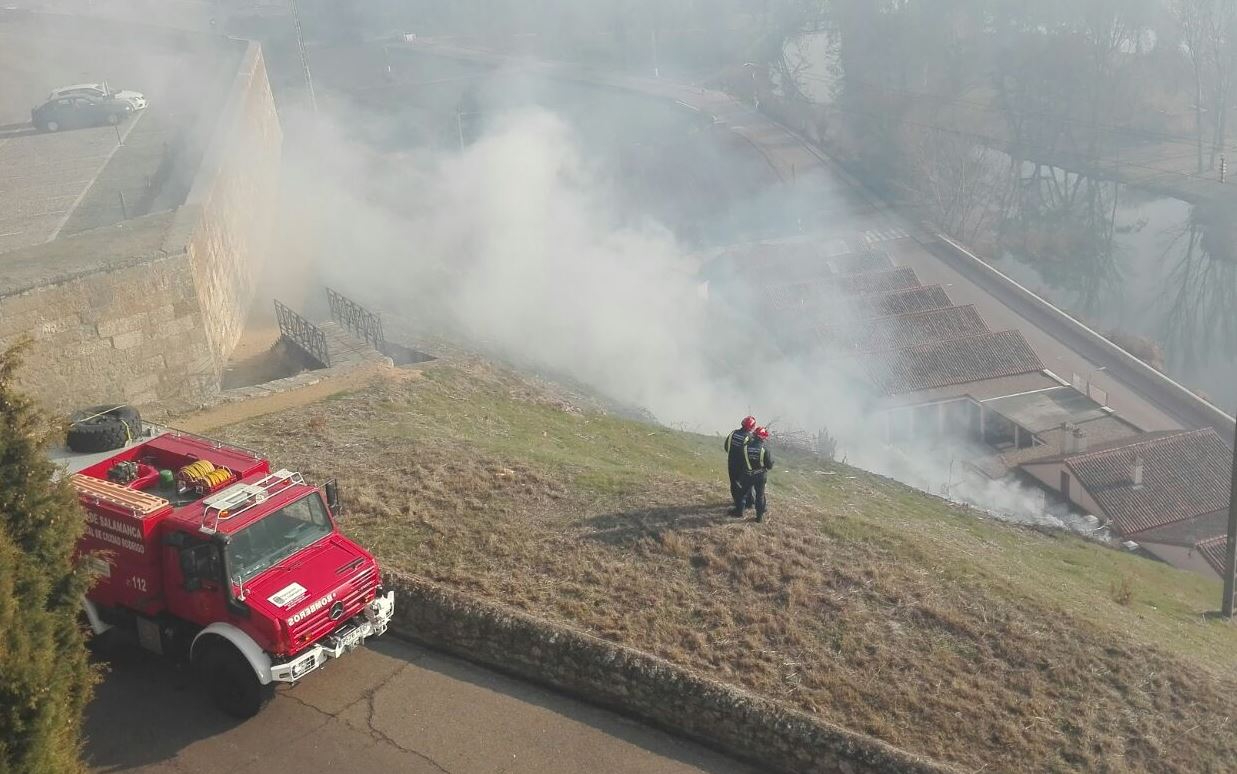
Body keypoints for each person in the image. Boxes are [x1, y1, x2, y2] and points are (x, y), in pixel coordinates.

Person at [723, 416, 757, 516]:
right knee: (746, 485)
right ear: (752, 427)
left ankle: (738, 503)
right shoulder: (749, 437)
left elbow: (726, 447)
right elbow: (751, 452)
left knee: (734, 484)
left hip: (732, 463)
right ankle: (748, 503)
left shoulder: (733, 433)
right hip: (744, 466)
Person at [740, 426, 775, 522]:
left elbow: (742, 460)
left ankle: (740, 511)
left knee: (743, 494)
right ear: (763, 437)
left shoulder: (745, 447)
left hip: (747, 474)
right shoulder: (764, 449)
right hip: (760, 476)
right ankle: (759, 518)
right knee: (760, 496)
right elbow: (769, 465)